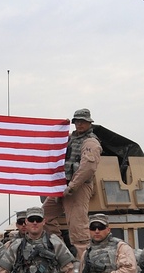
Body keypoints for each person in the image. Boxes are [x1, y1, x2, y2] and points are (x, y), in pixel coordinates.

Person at [43, 108, 102, 260]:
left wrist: (72, 186)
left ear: (89, 123)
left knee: (78, 231)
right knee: (43, 217)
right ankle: (63, 252)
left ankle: (84, 267)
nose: (79, 124)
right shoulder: (69, 139)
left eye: (83, 121)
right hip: (62, 186)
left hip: (78, 188)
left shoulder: (91, 142)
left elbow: (87, 168)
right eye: (77, 121)